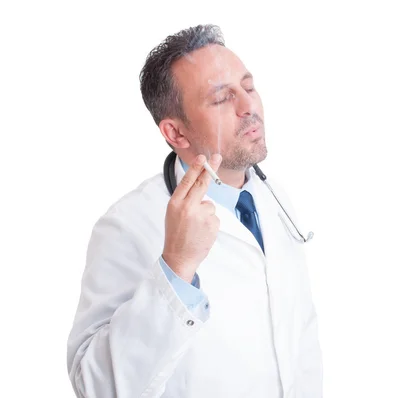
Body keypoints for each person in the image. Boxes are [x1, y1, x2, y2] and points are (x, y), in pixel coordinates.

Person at [66, 24, 323, 398]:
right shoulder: (126, 226)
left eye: (248, 87)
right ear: (176, 134)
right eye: (222, 98)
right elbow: (95, 387)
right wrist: (176, 268)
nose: (248, 106)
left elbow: (299, 343)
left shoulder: (274, 199)